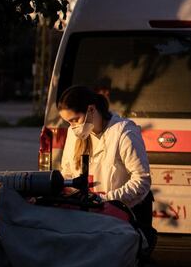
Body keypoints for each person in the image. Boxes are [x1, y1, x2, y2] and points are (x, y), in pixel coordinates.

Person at [58, 85, 156, 245]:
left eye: (75, 119)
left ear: (91, 109)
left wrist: (105, 200)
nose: (73, 126)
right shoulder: (74, 133)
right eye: (69, 122)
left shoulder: (123, 132)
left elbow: (142, 181)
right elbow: (67, 173)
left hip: (126, 220)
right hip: (90, 220)